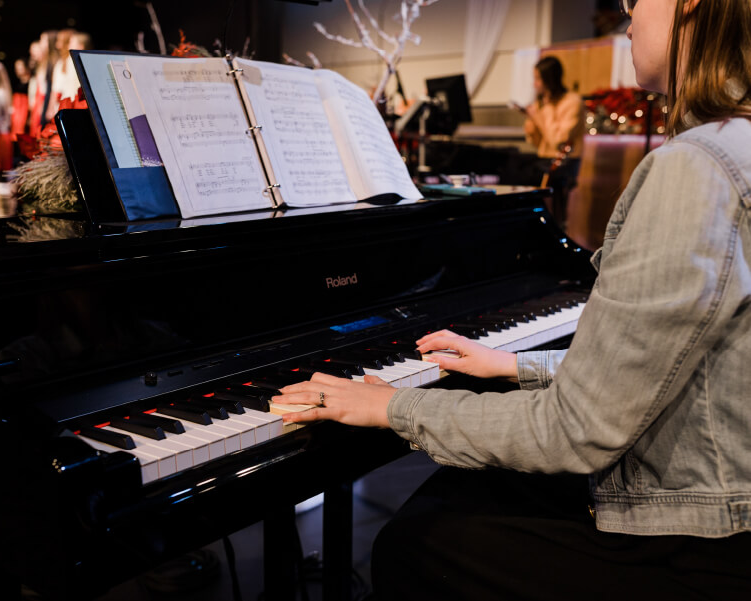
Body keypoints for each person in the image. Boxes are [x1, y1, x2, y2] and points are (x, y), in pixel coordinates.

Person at [274, 1, 751, 599]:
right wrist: (515, 363)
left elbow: (577, 428)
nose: (625, 8)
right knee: (453, 497)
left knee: (415, 541)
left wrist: (393, 406)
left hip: (700, 541)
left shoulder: (695, 167)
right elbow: (679, 364)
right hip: (723, 498)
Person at [518, 55, 585, 228]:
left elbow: (558, 140)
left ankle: (555, 229)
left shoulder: (572, 101)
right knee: (516, 166)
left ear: (550, 79)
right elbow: (537, 143)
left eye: (538, 79)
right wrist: (531, 122)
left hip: (564, 161)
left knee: (543, 183)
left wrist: (539, 115)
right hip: (545, 158)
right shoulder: (543, 102)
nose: (535, 84)